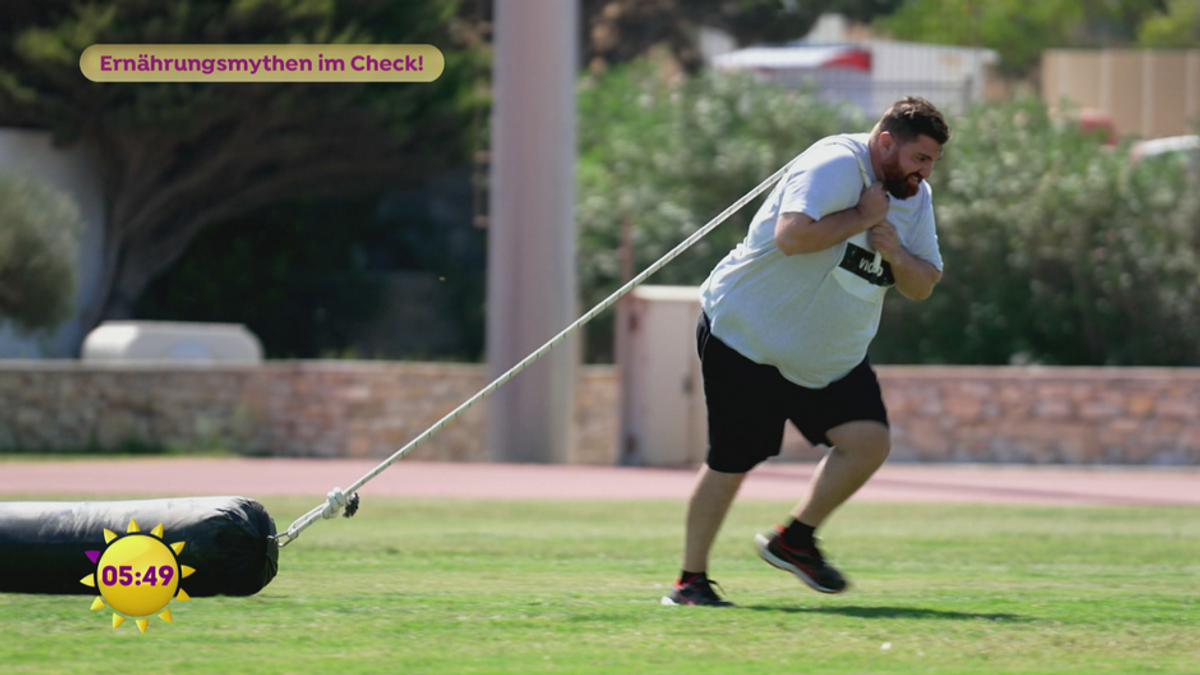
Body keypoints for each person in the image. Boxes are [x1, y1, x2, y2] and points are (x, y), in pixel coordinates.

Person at [663, 96, 951, 607]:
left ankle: (794, 540)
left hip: (826, 359)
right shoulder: (834, 164)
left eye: (931, 162)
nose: (925, 173)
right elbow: (792, 237)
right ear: (886, 142)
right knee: (732, 461)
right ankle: (690, 583)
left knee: (868, 443)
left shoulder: (916, 198)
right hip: (746, 339)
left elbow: (923, 283)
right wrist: (861, 216)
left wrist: (896, 253)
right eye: (919, 158)